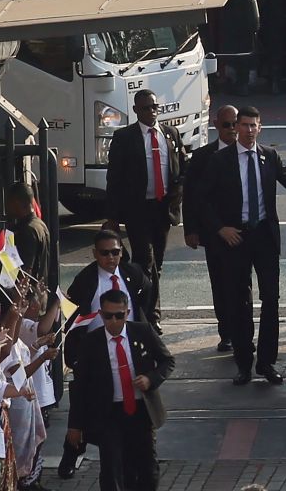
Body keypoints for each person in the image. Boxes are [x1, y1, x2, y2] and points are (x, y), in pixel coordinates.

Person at [203, 106, 286, 386]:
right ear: (236, 128)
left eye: (252, 125)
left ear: (260, 128)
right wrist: (220, 228)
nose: (247, 130)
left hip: (265, 237)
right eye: (243, 125)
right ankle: (244, 364)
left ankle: (267, 362)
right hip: (235, 238)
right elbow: (203, 200)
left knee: (271, 299)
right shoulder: (221, 160)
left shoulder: (269, 157)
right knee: (239, 302)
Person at [58, 228, 152, 479]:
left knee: (116, 408)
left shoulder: (133, 273)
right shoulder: (86, 279)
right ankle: (72, 450)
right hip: (93, 352)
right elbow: (71, 314)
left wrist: (144, 325)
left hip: (124, 347)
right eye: (105, 253)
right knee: (85, 404)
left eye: (115, 252)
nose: (111, 258)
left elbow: (147, 292)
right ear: (95, 254)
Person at [66, 289, 174, 491]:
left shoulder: (143, 332)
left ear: (127, 312)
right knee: (112, 469)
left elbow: (167, 361)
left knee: (147, 468)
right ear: (100, 315)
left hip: (140, 411)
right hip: (109, 414)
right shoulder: (91, 343)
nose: (114, 321)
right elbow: (80, 386)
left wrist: (151, 379)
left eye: (119, 315)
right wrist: (75, 425)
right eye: (108, 316)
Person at [103, 89, 186, 333]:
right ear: (136, 110)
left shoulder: (170, 134)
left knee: (156, 263)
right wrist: (113, 216)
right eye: (146, 108)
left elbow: (180, 168)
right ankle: (150, 315)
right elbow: (114, 178)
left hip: (162, 209)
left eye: (154, 107)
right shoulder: (124, 137)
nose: (152, 112)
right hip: (137, 209)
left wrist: (178, 192)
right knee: (144, 260)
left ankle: (146, 310)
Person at [182, 105, 239, 353]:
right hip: (214, 233)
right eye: (227, 125)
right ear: (217, 125)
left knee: (241, 285)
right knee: (219, 283)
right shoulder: (203, 156)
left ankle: (241, 332)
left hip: (242, 232)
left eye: (235, 124)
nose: (232, 130)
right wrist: (191, 229)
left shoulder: (248, 153)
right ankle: (226, 332)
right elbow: (192, 195)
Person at [4, 181, 49, 286]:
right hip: (40, 293)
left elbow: (26, 271)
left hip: (28, 296)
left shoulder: (27, 230)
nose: (7, 207)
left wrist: (18, 295)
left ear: (16, 202)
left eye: (8, 202)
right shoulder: (40, 224)